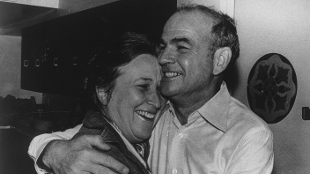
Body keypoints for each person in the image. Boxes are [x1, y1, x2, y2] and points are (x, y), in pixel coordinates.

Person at [28, 4, 274, 174]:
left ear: (219, 60)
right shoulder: (156, 112)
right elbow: (84, 135)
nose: (165, 57)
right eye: (164, 45)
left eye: (182, 46)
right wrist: (54, 152)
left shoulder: (248, 135)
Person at [29, 32, 167, 174]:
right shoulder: (96, 161)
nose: (156, 102)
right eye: (143, 87)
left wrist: (51, 149)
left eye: (160, 88)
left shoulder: (127, 135)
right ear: (103, 92)